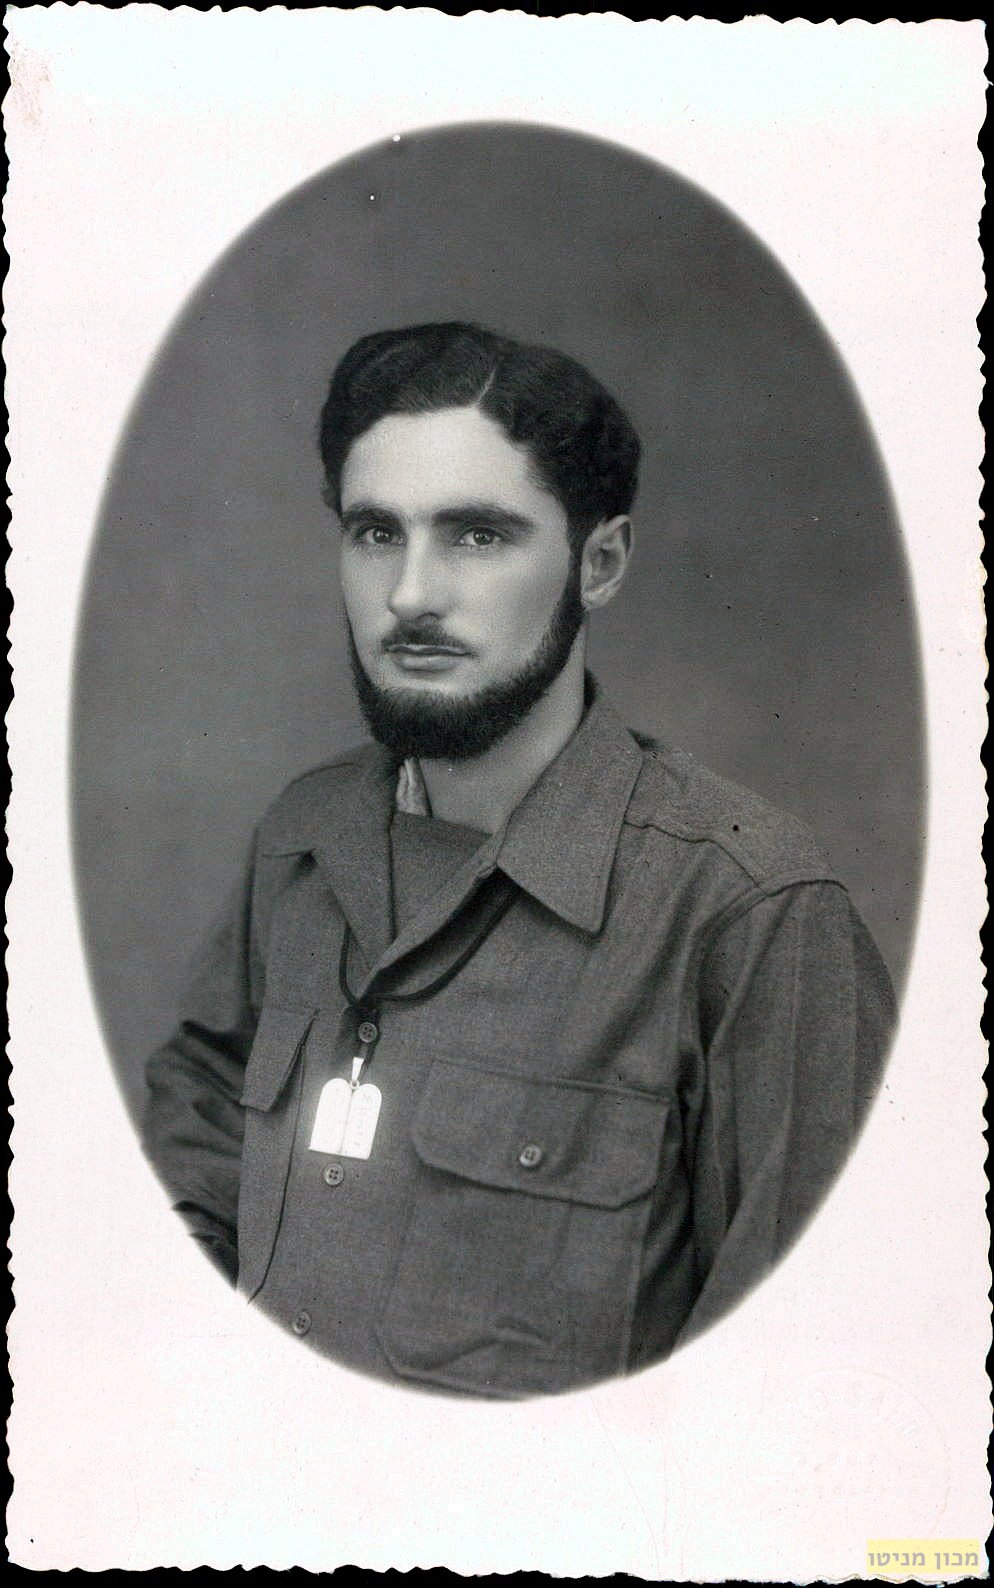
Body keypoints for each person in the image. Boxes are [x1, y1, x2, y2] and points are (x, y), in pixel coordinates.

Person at [143, 321, 896, 1399]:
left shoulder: (749, 911)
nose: (409, 594)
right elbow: (202, 1115)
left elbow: (801, 1381)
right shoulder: (302, 835)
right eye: (375, 532)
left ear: (600, 563)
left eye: (478, 536)